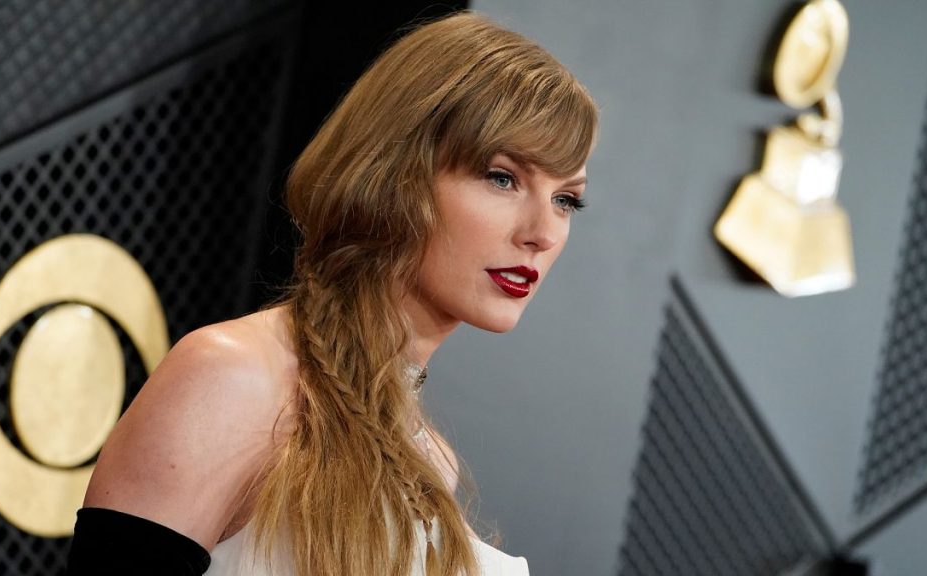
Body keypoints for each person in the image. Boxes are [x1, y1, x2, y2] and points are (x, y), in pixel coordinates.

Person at [66, 11, 597, 576]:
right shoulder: (233, 378)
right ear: (396, 174)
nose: (542, 232)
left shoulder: (429, 460)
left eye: (567, 200)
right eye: (502, 178)